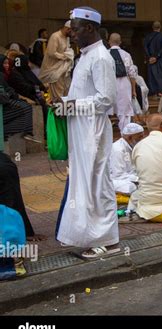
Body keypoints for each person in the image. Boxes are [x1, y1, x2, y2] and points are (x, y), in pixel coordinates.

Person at [56, 7, 120, 258]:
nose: (71, 33)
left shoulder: (102, 58)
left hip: (93, 131)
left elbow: (106, 99)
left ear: (90, 28)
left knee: (97, 184)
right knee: (84, 185)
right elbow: (82, 95)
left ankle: (107, 241)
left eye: (76, 28)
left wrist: (70, 105)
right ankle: (86, 235)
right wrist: (63, 103)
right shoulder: (85, 56)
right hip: (81, 129)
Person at [107, 33, 137, 131]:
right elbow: (132, 73)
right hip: (123, 83)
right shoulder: (126, 55)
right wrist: (133, 90)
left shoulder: (105, 54)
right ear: (120, 42)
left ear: (109, 42)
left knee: (105, 110)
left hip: (108, 84)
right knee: (124, 112)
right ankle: (125, 134)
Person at [39, 21, 74, 102]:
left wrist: (69, 55)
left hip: (63, 68)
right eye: (71, 31)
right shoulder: (55, 36)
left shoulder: (67, 38)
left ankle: (64, 108)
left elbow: (67, 49)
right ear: (67, 29)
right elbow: (51, 52)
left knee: (65, 88)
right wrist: (65, 56)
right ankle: (58, 108)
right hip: (53, 68)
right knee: (59, 89)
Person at [0, 60, 34, 140]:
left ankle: (26, 131)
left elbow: (9, 89)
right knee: (24, 108)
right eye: (4, 63)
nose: (7, 65)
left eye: (8, 63)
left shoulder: (5, 75)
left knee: (26, 107)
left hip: (6, 102)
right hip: (4, 106)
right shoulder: (9, 75)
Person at [110, 123, 144, 203]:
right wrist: (138, 179)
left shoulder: (134, 145)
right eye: (140, 137)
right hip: (117, 179)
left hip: (132, 177)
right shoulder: (117, 149)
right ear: (130, 137)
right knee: (131, 187)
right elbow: (118, 175)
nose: (142, 139)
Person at [144, 21, 162, 96]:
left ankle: (154, 93)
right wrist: (157, 56)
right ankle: (161, 93)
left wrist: (150, 57)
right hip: (161, 60)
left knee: (152, 77)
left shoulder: (148, 37)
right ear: (160, 27)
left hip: (151, 60)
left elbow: (145, 48)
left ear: (152, 27)